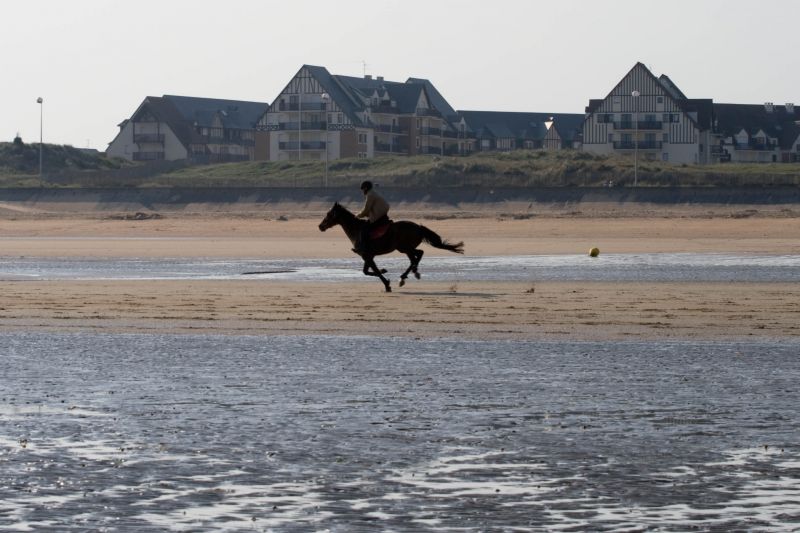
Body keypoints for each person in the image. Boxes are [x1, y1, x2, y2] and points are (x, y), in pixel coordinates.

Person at [354, 180, 390, 255]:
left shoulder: (370, 195)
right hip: (381, 213)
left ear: (366, 188)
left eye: (363, 189)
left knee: (363, 230)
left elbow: (366, 210)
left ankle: (363, 248)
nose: (362, 191)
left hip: (379, 215)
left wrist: (357, 215)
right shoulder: (373, 193)